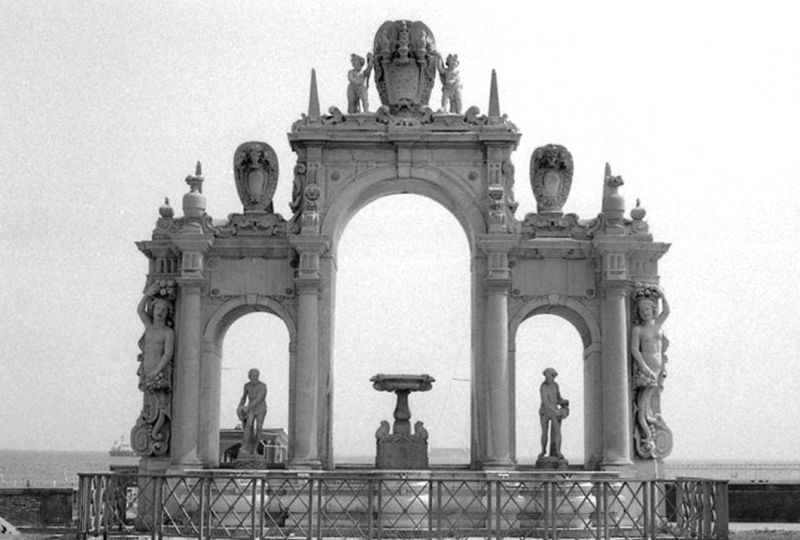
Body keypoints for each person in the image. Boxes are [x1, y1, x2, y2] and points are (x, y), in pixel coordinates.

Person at [136, 283, 175, 389]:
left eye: (164, 310)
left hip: (158, 373)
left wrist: (157, 370)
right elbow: (140, 310)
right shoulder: (149, 327)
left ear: (168, 313)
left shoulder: (168, 332)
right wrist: (147, 295)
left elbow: (167, 354)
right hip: (146, 370)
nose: (160, 312)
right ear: (153, 310)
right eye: (158, 308)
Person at [630, 284, 670, 384]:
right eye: (641, 310)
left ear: (653, 310)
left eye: (647, 309)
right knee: (644, 395)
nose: (645, 313)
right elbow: (634, 349)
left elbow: (666, 311)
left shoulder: (658, 324)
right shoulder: (638, 329)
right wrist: (643, 367)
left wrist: (662, 296)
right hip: (647, 364)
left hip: (659, 364)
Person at [538, 367, 569, 459]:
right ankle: (543, 450)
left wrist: (564, 402)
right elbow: (545, 402)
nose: (549, 378)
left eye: (551, 376)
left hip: (554, 411)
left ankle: (558, 451)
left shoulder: (555, 385)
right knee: (544, 432)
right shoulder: (543, 386)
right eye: (548, 376)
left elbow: (558, 398)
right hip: (545, 411)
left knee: (557, 432)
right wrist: (555, 411)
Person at [237, 368, 268, 455]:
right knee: (248, 426)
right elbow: (243, 397)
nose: (254, 377)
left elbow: (259, 398)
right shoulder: (247, 385)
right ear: (249, 376)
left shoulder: (262, 386)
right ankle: (245, 447)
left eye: (255, 375)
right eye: (252, 375)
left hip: (260, 407)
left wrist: (248, 407)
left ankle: (255, 449)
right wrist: (239, 407)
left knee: (258, 428)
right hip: (250, 407)